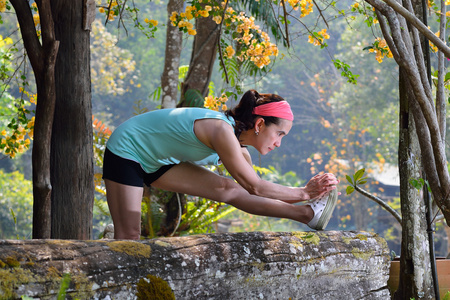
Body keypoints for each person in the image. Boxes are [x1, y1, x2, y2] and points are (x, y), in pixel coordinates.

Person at [103, 89, 339, 240]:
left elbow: (251, 191)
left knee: (229, 190)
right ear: (259, 125)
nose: (278, 143)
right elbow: (256, 186)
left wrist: (306, 200)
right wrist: (305, 191)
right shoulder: (222, 131)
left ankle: (307, 215)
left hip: (157, 161)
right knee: (129, 234)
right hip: (128, 149)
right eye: (279, 134)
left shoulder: (239, 147)